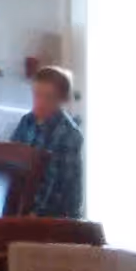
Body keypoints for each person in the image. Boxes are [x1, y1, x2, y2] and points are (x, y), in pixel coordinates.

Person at [10, 65, 84, 218]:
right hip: (22, 207)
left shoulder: (69, 134)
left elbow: (57, 185)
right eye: (37, 95)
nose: (41, 102)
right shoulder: (27, 122)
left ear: (61, 100)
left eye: (48, 97)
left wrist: (34, 214)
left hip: (56, 217)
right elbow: (12, 161)